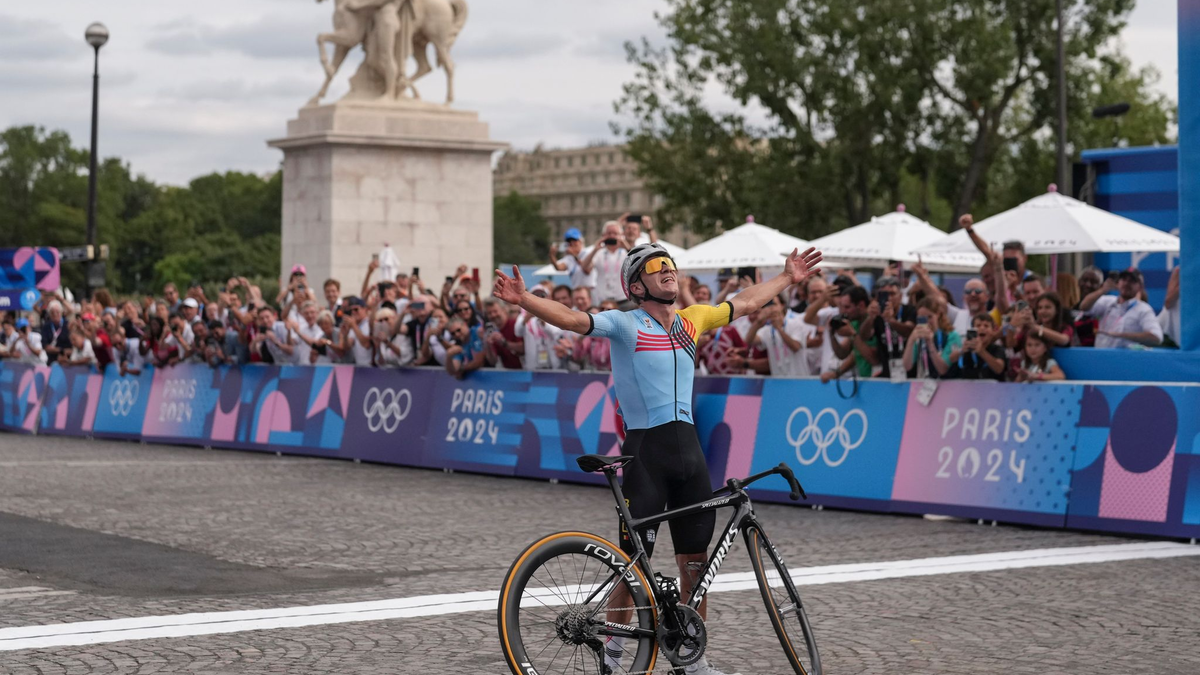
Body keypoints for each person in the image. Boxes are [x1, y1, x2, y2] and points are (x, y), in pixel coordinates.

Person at [493, 241, 822, 675]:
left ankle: (693, 660)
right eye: (655, 266)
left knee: (696, 568)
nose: (667, 270)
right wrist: (525, 299)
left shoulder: (693, 318)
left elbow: (743, 303)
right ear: (635, 285)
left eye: (669, 263)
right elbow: (573, 319)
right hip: (646, 455)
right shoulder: (625, 325)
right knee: (630, 571)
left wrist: (786, 277)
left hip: (690, 455)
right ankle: (611, 657)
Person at [1078, 268, 1163, 349]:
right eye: (1123, 279)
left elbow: (1156, 337)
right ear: (1118, 282)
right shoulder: (1107, 301)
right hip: (1101, 357)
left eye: (1131, 281)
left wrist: (1121, 335)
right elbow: (1084, 307)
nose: (1126, 283)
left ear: (1140, 287)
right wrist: (1102, 290)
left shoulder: (1143, 309)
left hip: (1125, 359)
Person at [901, 298, 961, 380]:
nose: (927, 322)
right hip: (927, 384)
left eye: (929, 317)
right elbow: (907, 366)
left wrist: (930, 343)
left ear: (938, 315)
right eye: (921, 318)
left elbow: (942, 369)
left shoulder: (952, 336)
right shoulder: (918, 337)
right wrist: (911, 340)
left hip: (950, 384)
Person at [581, 221, 630, 304]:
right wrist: (595, 249)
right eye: (609, 233)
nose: (611, 236)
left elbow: (637, 262)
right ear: (603, 236)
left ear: (621, 235)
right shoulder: (598, 252)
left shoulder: (626, 252)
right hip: (602, 301)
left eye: (615, 233)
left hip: (623, 300)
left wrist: (626, 245)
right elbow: (584, 267)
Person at [947, 313, 1006, 380]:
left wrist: (981, 351)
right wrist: (962, 351)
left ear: (993, 331)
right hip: (969, 387)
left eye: (986, 326)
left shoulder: (998, 349)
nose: (982, 328)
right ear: (972, 330)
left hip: (993, 388)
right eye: (978, 326)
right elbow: (951, 359)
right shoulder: (967, 347)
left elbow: (999, 369)